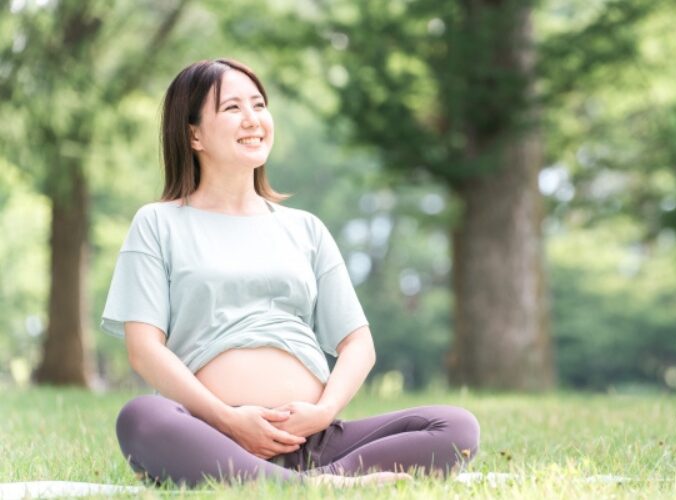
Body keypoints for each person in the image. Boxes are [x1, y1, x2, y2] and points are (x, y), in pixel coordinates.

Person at [100, 58, 480, 488]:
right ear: (194, 133)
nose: (253, 119)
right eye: (232, 108)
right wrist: (228, 419)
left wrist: (322, 412)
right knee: (141, 418)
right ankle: (313, 487)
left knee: (456, 428)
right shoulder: (158, 223)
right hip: (211, 432)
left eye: (259, 105)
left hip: (312, 439)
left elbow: (358, 342)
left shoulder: (305, 228)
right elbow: (144, 349)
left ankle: (312, 479)